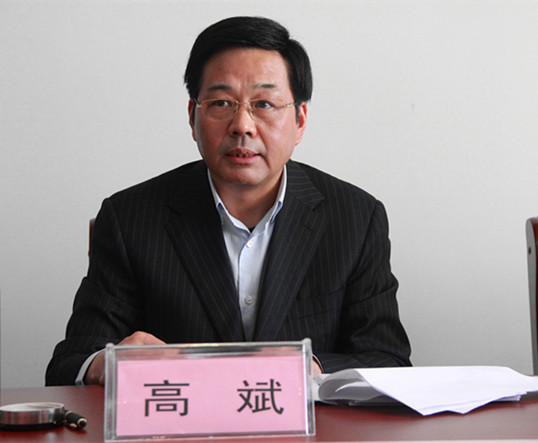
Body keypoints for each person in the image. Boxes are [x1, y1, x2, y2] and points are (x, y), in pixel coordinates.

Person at [45, 16, 411, 386]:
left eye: (264, 103)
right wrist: (105, 363)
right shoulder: (130, 219)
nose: (242, 125)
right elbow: (70, 363)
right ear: (193, 117)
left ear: (300, 120)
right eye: (221, 103)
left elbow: (387, 359)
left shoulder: (355, 218)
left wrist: (308, 369)